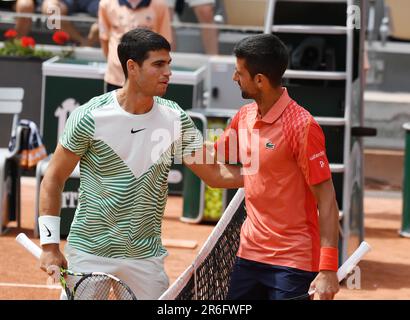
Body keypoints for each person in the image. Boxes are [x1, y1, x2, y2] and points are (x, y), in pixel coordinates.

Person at [37, 28, 243, 300]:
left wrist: (266, 173)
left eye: (169, 64)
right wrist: (50, 245)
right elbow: (53, 177)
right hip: (89, 253)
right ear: (132, 67)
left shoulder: (175, 119)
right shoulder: (90, 116)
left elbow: (214, 173)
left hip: (145, 257)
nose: (168, 72)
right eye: (158, 64)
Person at [214, 34, 340, 300]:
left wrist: (328, 268)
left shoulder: (303, 126)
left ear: (260, 80)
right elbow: (216, 165)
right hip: (247, 255)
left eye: (239, 73)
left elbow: (326, 199)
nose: (235, 78)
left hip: (292, 261)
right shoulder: (243, 117)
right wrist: (177, 140)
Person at [98, 0, 172, 92]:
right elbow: (104, 38)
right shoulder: (106, 3)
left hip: (148, 80)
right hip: (115, 77)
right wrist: (116, 62)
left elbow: (164, 44)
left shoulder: (160, 5)